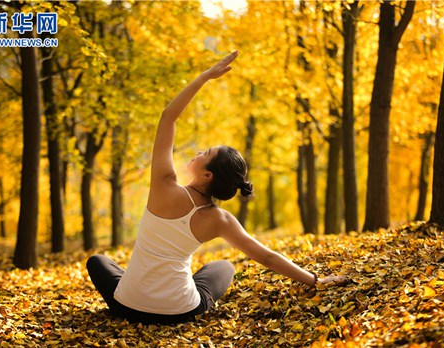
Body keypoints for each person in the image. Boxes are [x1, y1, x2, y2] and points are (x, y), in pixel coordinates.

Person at [86, 51, 346, 325]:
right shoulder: (220, 219)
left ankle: (140, 290)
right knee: (223, 268)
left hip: (127, 306)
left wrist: (205, 77)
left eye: (204, 152)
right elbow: (266, 257)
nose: (197, 152)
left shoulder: (163, 185)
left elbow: (168, 118)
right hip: (180, 312)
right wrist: (317, 280)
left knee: (97, 261)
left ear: (207, 174)